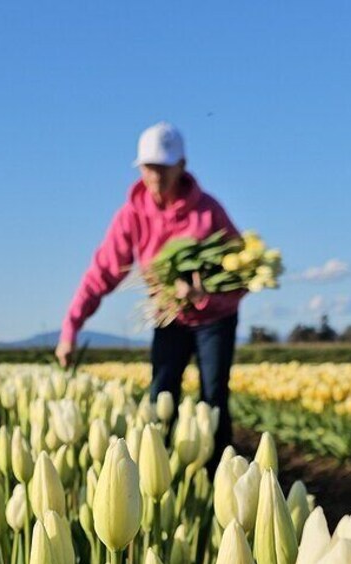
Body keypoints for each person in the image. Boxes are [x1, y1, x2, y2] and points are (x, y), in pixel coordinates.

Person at [55, 121, 246, 462]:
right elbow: (102, 271)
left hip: (215, 319)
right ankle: (162, 469)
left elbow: (242, 273)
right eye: (149, 167)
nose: (155, 176)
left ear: (182, 165)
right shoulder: (132, 214)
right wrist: (71, 327)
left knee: (214, 399)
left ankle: (218, 475)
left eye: (163, 167)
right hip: (167, 315)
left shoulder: (208, 211)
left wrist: (205, 295)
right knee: (161, 395)